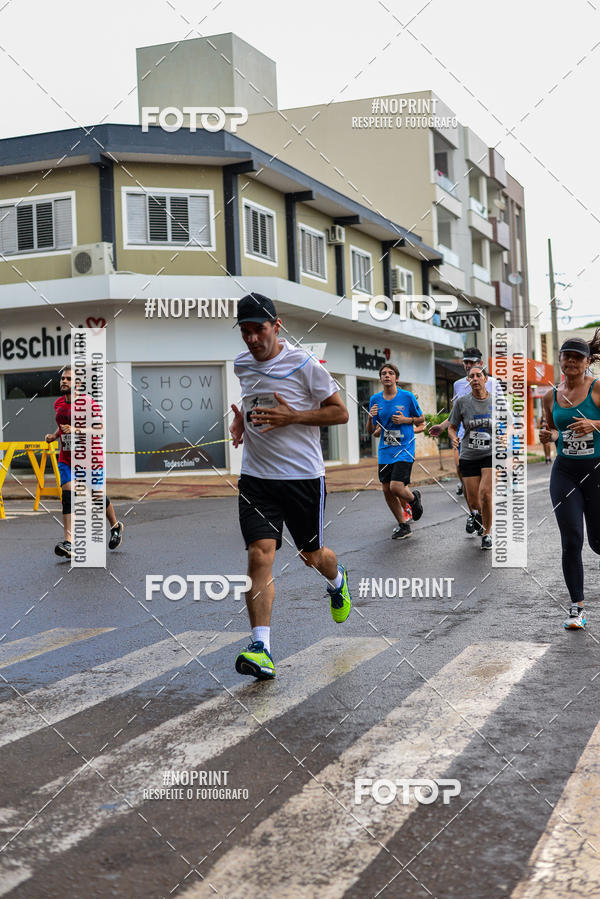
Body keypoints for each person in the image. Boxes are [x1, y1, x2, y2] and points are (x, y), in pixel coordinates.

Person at [230, 293, 352, 680]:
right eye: (245, 332)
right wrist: (241, 423)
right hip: (257, 477)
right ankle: (261, 646)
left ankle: (337, 580)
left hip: (302, 478)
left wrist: (294, 417)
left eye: (258, 330)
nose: (251, 339)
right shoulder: (240, 365)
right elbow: (253, 401)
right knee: (259, 554)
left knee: (311, 557)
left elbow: (340, 412)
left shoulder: (303, 363)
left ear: (276, 326)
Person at [540, 332, 600, 630]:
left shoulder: (598, 389)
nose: (572, 361)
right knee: (572, 539)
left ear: (588, 361)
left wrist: (595, 423)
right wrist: (548, 436)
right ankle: (577, 608)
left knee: (598, 541)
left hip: (597, 472)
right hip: (565, 473)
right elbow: (554, 431)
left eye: (579, 357)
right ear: (560, 360)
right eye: (568, 356)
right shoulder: (549, 395)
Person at [45, 365, 123, 559]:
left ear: (78, 384)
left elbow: (99, 430)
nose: (64, 381)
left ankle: (115, 526)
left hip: (90, 458)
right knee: (68, 493)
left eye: (69, 379)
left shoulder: (89, 403)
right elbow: (63, 426)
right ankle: (69, 542)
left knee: (97, 497)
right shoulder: (58, 403)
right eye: (63, 378)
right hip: (67, 457)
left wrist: (77, 430)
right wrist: (54, 436)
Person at [430, 347, 503, 533]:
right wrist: (443, 427)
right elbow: (456, 414)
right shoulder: (458, 384)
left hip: (490, 439)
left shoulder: (493, 383)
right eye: (466, 362)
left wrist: (503, 435)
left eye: (472, 362)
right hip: (464, 438)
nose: (468, 366)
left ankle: (484, 523)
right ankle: (475, 513)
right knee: (461, 472)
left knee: (485, 491)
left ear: (481, 364)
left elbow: (502, 412)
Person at [366, 362, 425, 540]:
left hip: (405, 449)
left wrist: (406, 420)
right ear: (380, 378)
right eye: (383, 373)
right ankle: (403, 525)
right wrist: (370, 418)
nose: (387, 375)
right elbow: (371, 430)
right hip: (385, 450)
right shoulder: (375, 399)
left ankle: (413, 499)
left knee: (396, 486)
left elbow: (421, 418)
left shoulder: (407, 397)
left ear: (396, 378)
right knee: (386, 489)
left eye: (390, 373)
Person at [448, 365, 495, 550]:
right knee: (474, 501)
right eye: (471, 376)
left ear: (485, 379)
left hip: (490, 453)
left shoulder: (497, 402)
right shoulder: (462, 402)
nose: (475, 378)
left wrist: (504, 435)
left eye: (478, 375)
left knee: (486, 494)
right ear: (468, 381)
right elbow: (452, 426)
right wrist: (454, 437)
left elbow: (510, 424)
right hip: (468, 454)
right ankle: (479, 517)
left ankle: (487, 533)